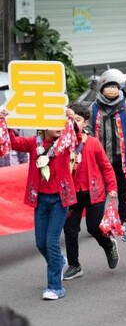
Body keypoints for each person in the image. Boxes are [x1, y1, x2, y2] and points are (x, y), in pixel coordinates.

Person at [0, 108, 77, 300]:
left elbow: (73, 135)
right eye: (53, 123)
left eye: (60, 123)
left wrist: (70, 118)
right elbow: (13, 143)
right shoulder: (34, 143)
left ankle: (55, 287)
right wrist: (4, 122)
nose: (58, 127)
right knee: (40, 243)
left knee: (51, 242)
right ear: (43, 126)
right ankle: (59, 262)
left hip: (60, 199)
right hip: (41, 199)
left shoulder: (65, 142)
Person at [63, 103, 119, 281]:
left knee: (94, 227)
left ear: (85, 121)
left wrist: (112, 188)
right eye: (69, 119)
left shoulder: (93, 143)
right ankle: (74, 264)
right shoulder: (63, 143)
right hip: (72, 193)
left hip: (94, 192)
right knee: (70, 230)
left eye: (77, 120)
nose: (73, 123)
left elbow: (106, 167)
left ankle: (109, 245)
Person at [88, 69, 126, 224]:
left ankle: (124, 219)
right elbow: (88, 131)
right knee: (98, 191)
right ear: (102, 88)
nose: (112, 89)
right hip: (100, 159)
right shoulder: (94, 108)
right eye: (109, 86)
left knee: (123, 190)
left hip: (121, 158)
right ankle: (97, 222)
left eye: (115, 86)